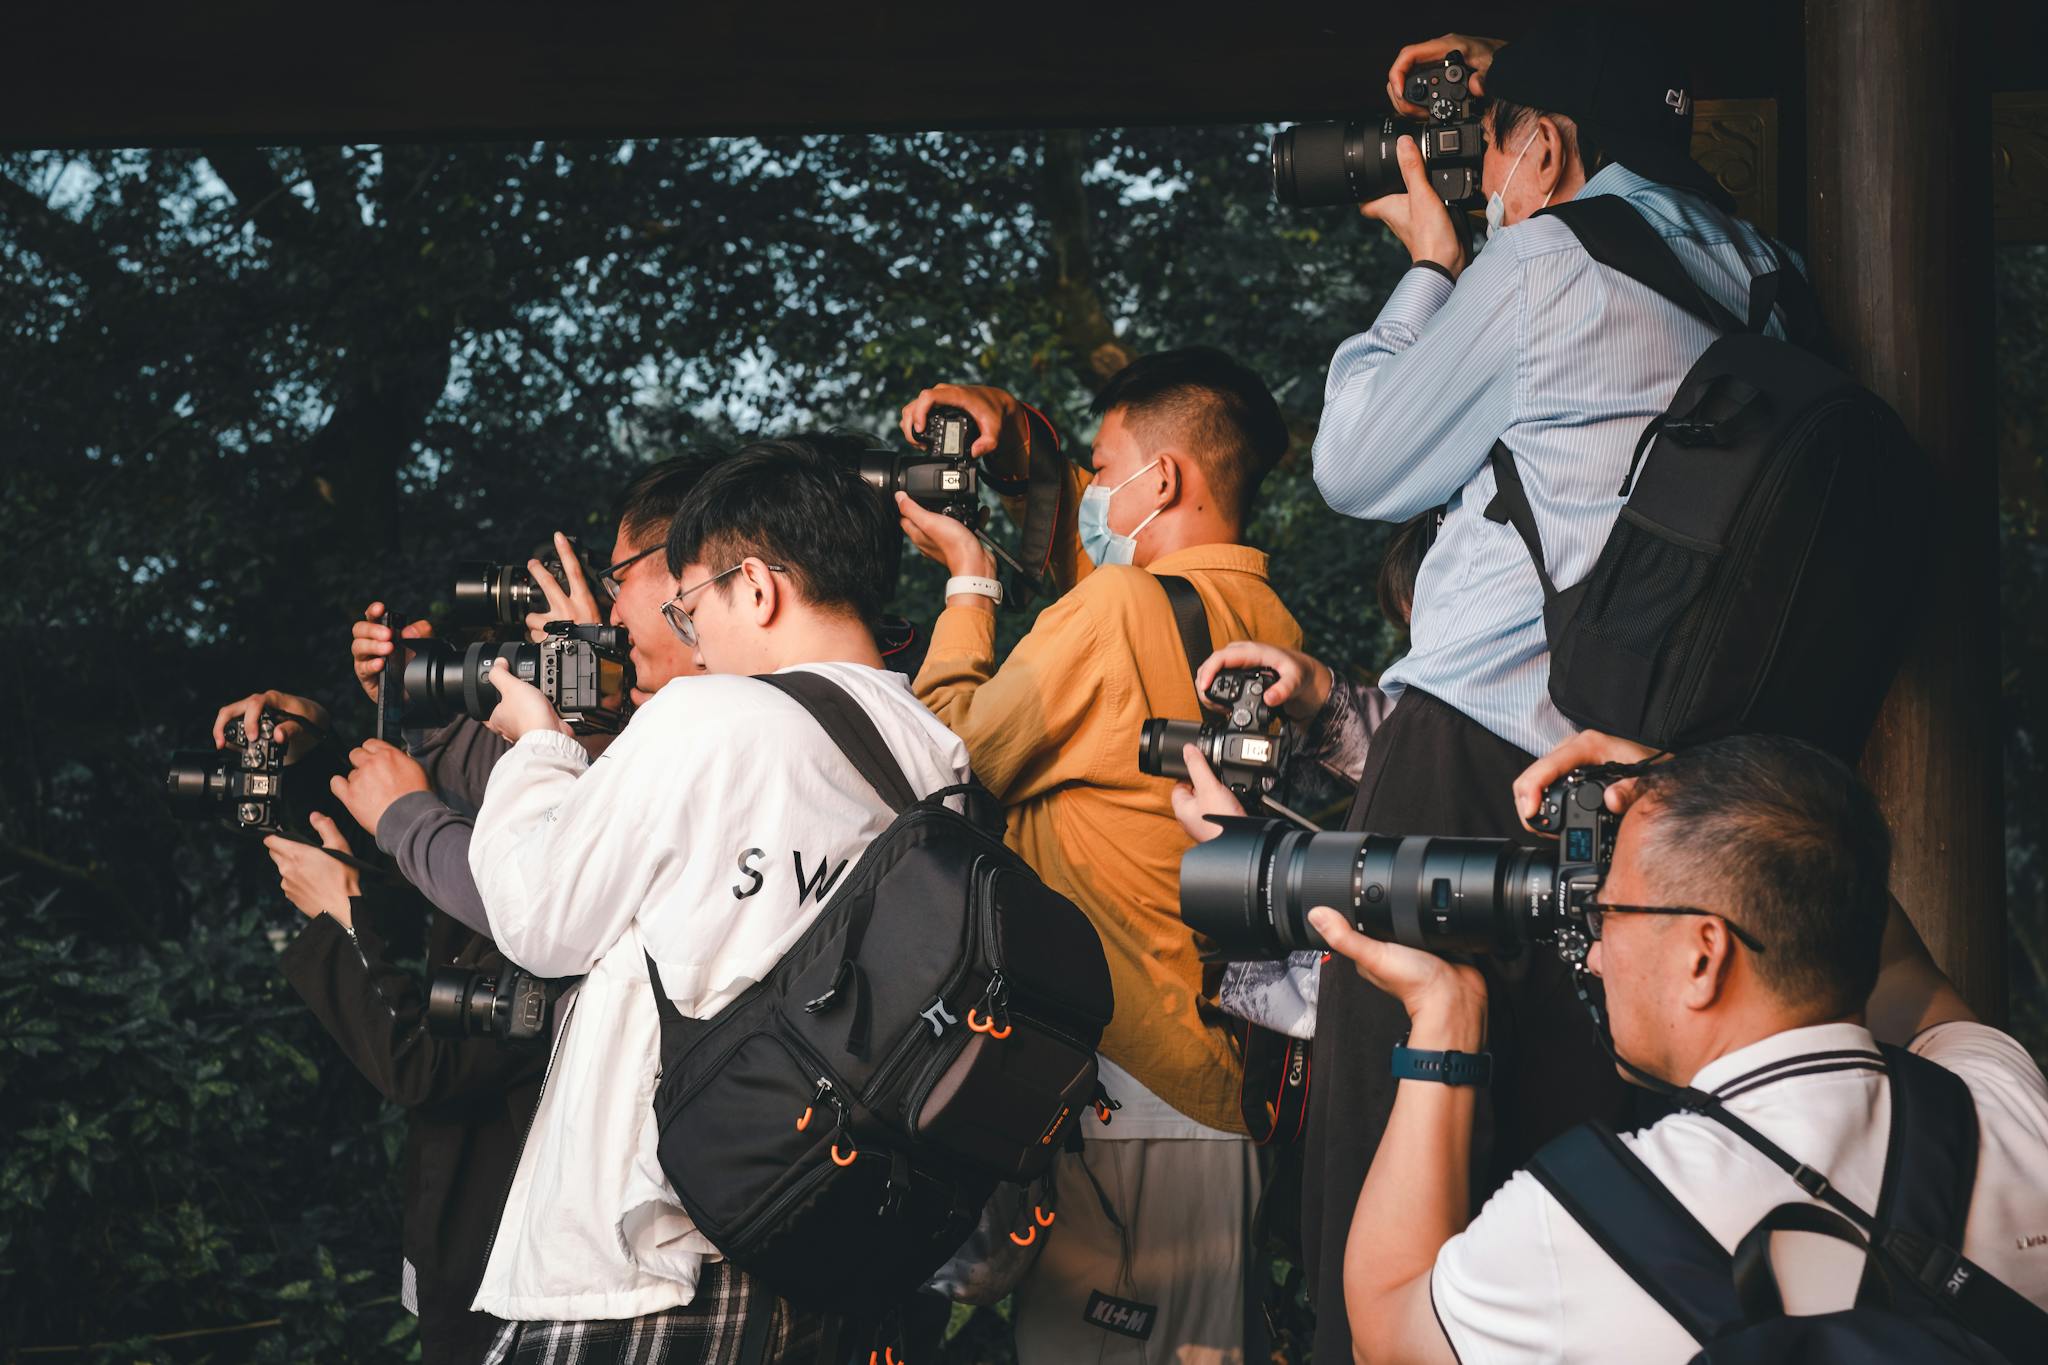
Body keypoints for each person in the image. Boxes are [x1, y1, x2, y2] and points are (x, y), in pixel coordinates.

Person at [1297, 17, 1806, 1357]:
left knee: (1398, 1115)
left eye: (1502, 151)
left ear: (1548, 145)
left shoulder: (1544, 259)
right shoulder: (1768, 274)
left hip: (1469, 752)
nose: (1495, 183)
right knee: (1592, 1130)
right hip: (1654, 782)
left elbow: (1356, 468)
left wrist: (1427, 262)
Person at [462, 436, 972, 1363]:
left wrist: (540, 739)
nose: (688, 638)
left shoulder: (711, 719)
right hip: (826, 1231)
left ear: (757, 586)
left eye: (691, 606)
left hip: (658, 1259)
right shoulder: (936, 758)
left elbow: (538, 917)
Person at [1313, 729, 2048, 1363]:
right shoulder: (1998, 1096)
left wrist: (1445, 1015)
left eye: (1609, 913)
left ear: (1704, 954)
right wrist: (1718, 803)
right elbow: (1894, 958)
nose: (1595, 954)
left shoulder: (1581, 1226)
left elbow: (1385, 1331)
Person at [893, 348, 1297, 1363]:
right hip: (1214, 1083)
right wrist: (1016, 442)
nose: (1091, 490)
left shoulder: (1115, 613)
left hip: (1126, 1086)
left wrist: (968, 581)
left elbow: (944, 765)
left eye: (1102, 465)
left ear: (1159, 481)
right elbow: (1112, 579)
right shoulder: (1264, 625)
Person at [208, 686, 544, 1365]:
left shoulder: (556, 879)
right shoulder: (516, 835)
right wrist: (313, 759)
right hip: (459, 1231)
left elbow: (424, 1063)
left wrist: (342, 918)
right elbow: (411, 874)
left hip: (513, 1262)